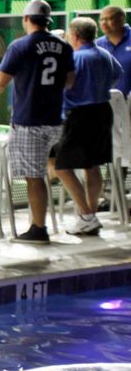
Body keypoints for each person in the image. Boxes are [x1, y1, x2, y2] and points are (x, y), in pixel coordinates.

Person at [0, 0, 74, 245]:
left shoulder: (21, 46)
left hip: (30, 120)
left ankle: (38, 228)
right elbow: (70, 81)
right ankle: (41, 223)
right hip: (55, 119)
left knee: (33, 176)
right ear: (48, 21)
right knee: (42, 171)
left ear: (27, 19)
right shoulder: (63, 45)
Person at [55, 16, 121, 236]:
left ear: (74, 36)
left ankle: (86, 215)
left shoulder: (76, 58)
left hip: (80, 115)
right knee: (92, 166)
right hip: (102, 111)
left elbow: (66, 83)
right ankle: (89, 214)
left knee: (62, 167)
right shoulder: (104, 54)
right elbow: (116, 75)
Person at [97, 5, 131, 95]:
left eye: (109, 19)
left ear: (122, 19)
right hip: (107, 101)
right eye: (101, 20)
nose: (104, 23)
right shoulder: (98, 44)